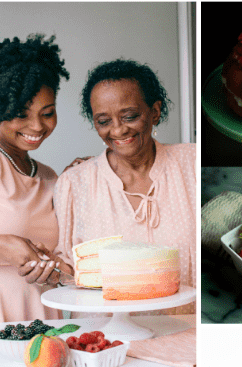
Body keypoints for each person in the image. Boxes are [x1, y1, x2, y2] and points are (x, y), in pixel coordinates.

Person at [54, 59, 196, 314]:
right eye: (104, 121)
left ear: (154, 111)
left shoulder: (192, 164)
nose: (118, 130)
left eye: (130, 116)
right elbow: (70, 270)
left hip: (186, 333)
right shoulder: (75, 183)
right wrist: (46, 269)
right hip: (109, 340)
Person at [0, 34, 73, 323]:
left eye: (47, 113)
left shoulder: (49, 177)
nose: (37, 126)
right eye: (21, 114)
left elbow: (62, 266)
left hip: (41, 315)